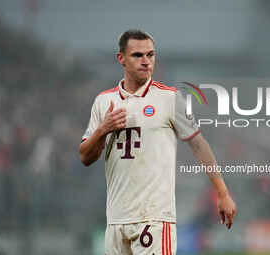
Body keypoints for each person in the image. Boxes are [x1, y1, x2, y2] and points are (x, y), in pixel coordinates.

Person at [79, 29, 236, 255]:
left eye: (150, 55)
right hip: (116, 219)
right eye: (138, 55)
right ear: (121, 58)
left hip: (153, 218)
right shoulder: (104, 102)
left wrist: (222, 193)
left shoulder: (169, 98)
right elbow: (85, 156)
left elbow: (199, 145)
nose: (146, 61)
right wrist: (103, 129)